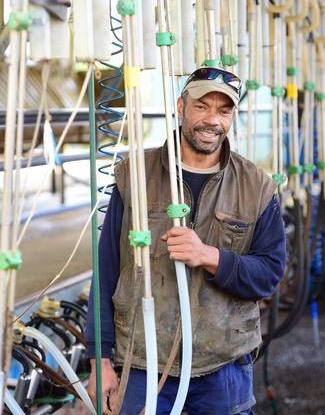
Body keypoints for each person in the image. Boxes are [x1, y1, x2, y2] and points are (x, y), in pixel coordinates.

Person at [86, 67, 286, 415]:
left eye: (224, 111)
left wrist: (210, 257)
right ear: (181, 107)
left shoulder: (257, 187)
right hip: (144, 358)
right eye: (202, 106)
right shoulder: (135, 174)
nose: (213, 120)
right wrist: (99, 360)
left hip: (223, 363)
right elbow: (106, 272)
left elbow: (269, 274)